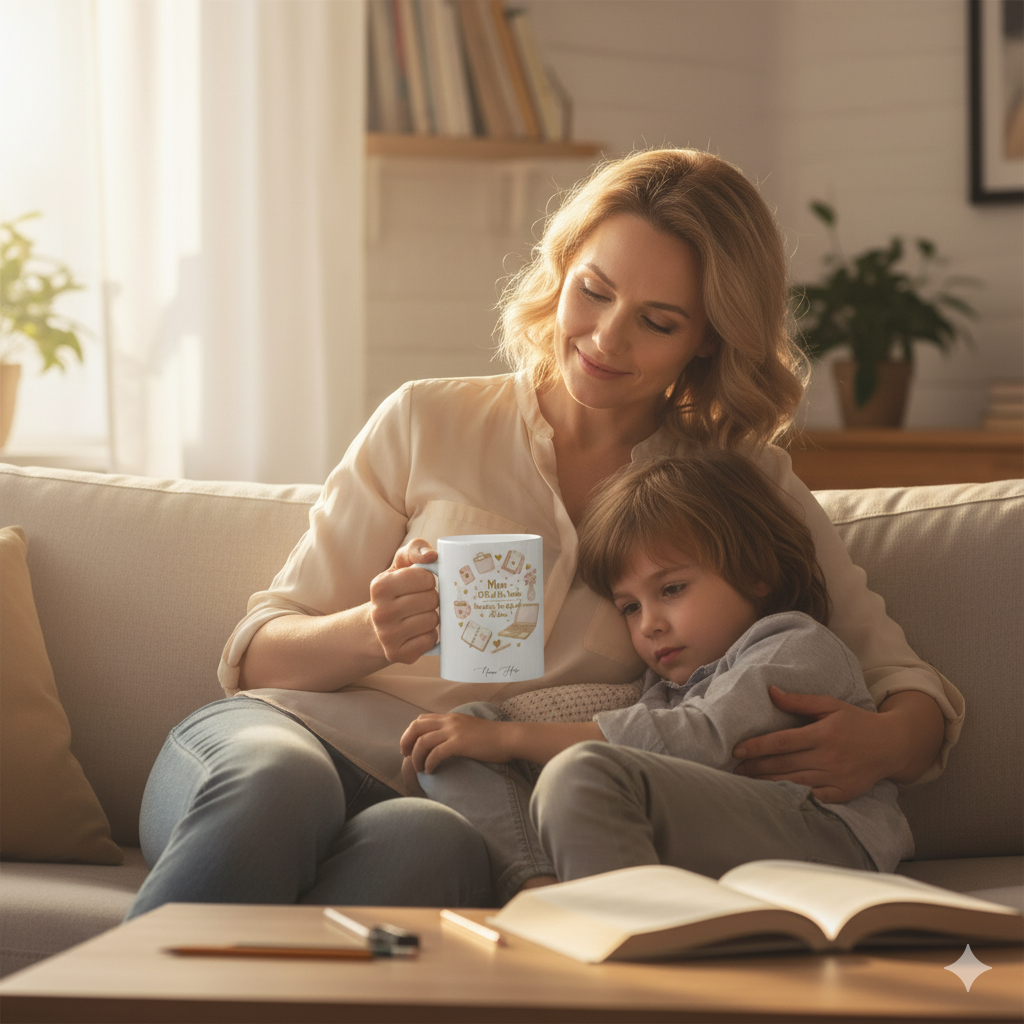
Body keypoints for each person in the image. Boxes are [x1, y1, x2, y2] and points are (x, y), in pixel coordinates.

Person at [127, 148, 962, 919]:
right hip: (283, 740)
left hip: (446, 803)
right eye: (593, 291)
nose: (604, 338)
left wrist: (886, 743)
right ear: (561, 271)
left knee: (434, 851)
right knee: (275, 784)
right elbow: (257, 651)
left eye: (657, 321)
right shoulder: (426, 418)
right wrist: (372, 631)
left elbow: (901, 679)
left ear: (709, 339)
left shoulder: (738, 482)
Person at [401, 451, 914, 901]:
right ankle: (538, 892)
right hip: (703, 832)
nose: (650, 624)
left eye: (671, 589)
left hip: (827, 837)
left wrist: (512, 736)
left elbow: (702, 737)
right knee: (458, 734)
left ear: (756, 570)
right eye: (629, 607)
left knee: (580, 774)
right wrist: (483, 731)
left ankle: (616, 948)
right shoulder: (662, 691)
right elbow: (644, 735)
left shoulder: (799, 645)